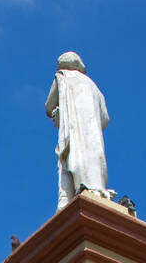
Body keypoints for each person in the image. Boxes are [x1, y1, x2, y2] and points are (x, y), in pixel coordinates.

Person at [45, 51, 111, 211]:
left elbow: (48, 106)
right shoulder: (94, 88)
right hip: (92, 133)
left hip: (73, 131)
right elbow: (105, 118)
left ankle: (74, 194)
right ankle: (95, 189)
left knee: (71, 159)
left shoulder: (62, 76)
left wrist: (60, 111)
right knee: (92, 159)